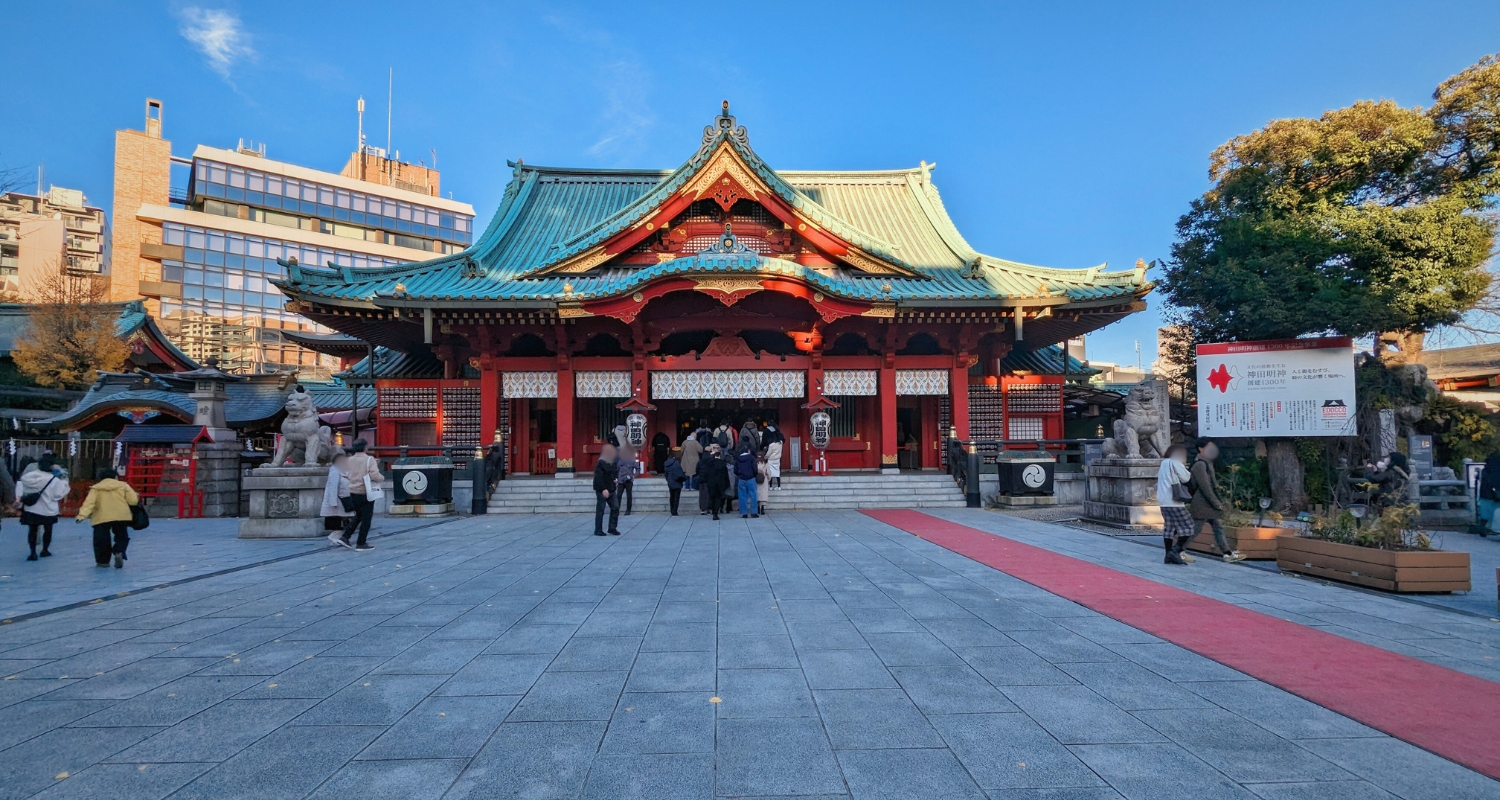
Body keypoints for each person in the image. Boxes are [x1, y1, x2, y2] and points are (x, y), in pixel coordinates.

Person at [1190, 439, 1244, 562]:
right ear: (1200, 448)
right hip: (1202, 503)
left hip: (1208, 503)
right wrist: (1216, 502)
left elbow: (1212, 486)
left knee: (1217, 526)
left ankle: (1227, 553)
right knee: (1196, 528)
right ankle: (1177, 550)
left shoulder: (1207, 463)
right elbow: (1205, 487)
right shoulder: (1200, 465)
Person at [75, 468, 138, 569]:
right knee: (121, 536)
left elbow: (89, 503)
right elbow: (133, 501)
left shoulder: (96, 488)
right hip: (121, 515)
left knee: (101, 539)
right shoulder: (123, 486)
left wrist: (81, 515)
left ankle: (103, 561)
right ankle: (119, 551)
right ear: (115, 477)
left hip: (101, 516)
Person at [19, 456, 70, 561]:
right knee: (48, 529)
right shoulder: (54, 480)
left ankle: (32, 552)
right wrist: (64, 479)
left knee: (32, 530)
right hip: (48, 509)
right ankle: (45, 550)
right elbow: (58, 495)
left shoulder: (28, 477)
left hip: (32, 508)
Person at [339, 439, 382, 551]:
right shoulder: (369, 459)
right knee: (366, 518)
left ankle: (345, 536)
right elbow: (374, 475)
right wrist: (381, 478)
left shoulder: (349, 460)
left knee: (358, 515)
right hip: (365, 491)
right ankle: (361, 542)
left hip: (352, 490)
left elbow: (345, 473)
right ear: (365, 448)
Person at [1157, 445, 1195, 565]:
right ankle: (1175, 551)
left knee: (1169, 528)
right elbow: (1186, 478)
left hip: (1163, 500)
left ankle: (1168, 555)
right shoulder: (1175, 462)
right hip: (1174, 501)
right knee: (1189, 526)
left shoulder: (1164, 463)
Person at [322, 453, 355, 546]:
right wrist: (333, 502)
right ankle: (334, 537)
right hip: (337, 501)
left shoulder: (345, 471)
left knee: (343, 520)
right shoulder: (335, 472)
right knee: (337, 520)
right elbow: (332, 488)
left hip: (344, 500)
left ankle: (337, 538)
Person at [593, 443, 621, 536]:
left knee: (615, 507)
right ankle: (598, 529)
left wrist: (616, 478)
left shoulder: (613, 462)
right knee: (600, 510)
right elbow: (598, 477)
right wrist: (603, 489)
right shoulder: (600, 463)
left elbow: (615, 472)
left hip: (611, 488)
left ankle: (612, 528)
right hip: (602, 489)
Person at [697, 444, 722, 517]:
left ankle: (702, 509)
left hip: (701, 479)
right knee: (708, 494)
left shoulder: (700, 462)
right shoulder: (711, 461)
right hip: (708, 479)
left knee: (702, 495)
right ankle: (709, 508)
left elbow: (697, 470)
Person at [735, 446, 759, 519]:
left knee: (742, 496)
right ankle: (754, 512)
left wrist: (739, 475)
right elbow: (755, 469)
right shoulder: (751, 458)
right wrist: (754, 475)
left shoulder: (738, 459)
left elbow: (735, 470)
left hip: (741, 478)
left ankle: (744, 513)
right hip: (751, 478)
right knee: (753, 495)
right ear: (748, 451)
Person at [616, 444, 637, 515]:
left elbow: (638, 469)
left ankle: (628, 510)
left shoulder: (632, 460)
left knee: (629, 495)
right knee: (618, 495)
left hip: (629, 479)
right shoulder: (620, 460)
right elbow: (617, 469)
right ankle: (617, 509)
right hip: (621, 479)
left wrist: (634, 475)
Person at [763, 426, 784, 491]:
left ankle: (771, 486)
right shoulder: (780, 443)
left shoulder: (771, 445)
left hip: (771, 460)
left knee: (771, 473)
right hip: (777, 459)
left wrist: (765, 457)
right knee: (777, 473)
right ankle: (779, 486)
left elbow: (769, 453)